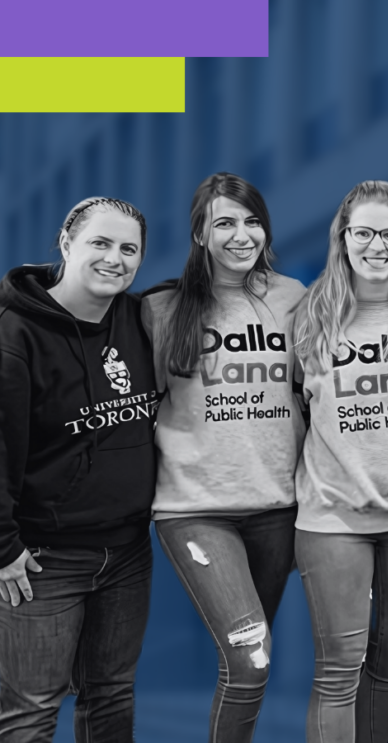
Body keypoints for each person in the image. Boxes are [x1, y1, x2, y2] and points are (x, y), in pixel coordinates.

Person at [142, 173, 306, 743]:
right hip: (196, 509)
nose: (242, 234)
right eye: (225, 223)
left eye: (252, 220)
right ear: (199, 235)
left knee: (246, 663)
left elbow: (331, 384)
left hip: (278, 508)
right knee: (250, 660)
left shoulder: (292, 299)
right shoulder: (160, 309)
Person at [290, 181, 388, 743]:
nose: (376, 245)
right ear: (344, 238)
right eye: (364, 232)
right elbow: (289, 414)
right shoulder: (311, 316)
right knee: (339, 668)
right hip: (333, 515)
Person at [0, 197, 158, 742]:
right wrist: (2, 547)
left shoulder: (141, 321)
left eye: (129, 248)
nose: (115, 258)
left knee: (111, 696)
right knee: (30, 711)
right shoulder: (12, 333)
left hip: (128, 552)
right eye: (100, 242)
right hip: (41, 560)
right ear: (66, 243)